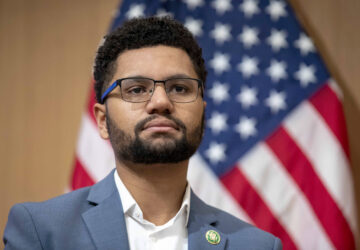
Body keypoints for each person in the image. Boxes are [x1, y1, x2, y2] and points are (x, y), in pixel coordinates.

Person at [3, 17, 282, 250]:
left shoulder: (256, 245)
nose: (160, 102)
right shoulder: (42, 231)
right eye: (136, 89)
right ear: (102, 121)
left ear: (203, 114)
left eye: (180, 88)